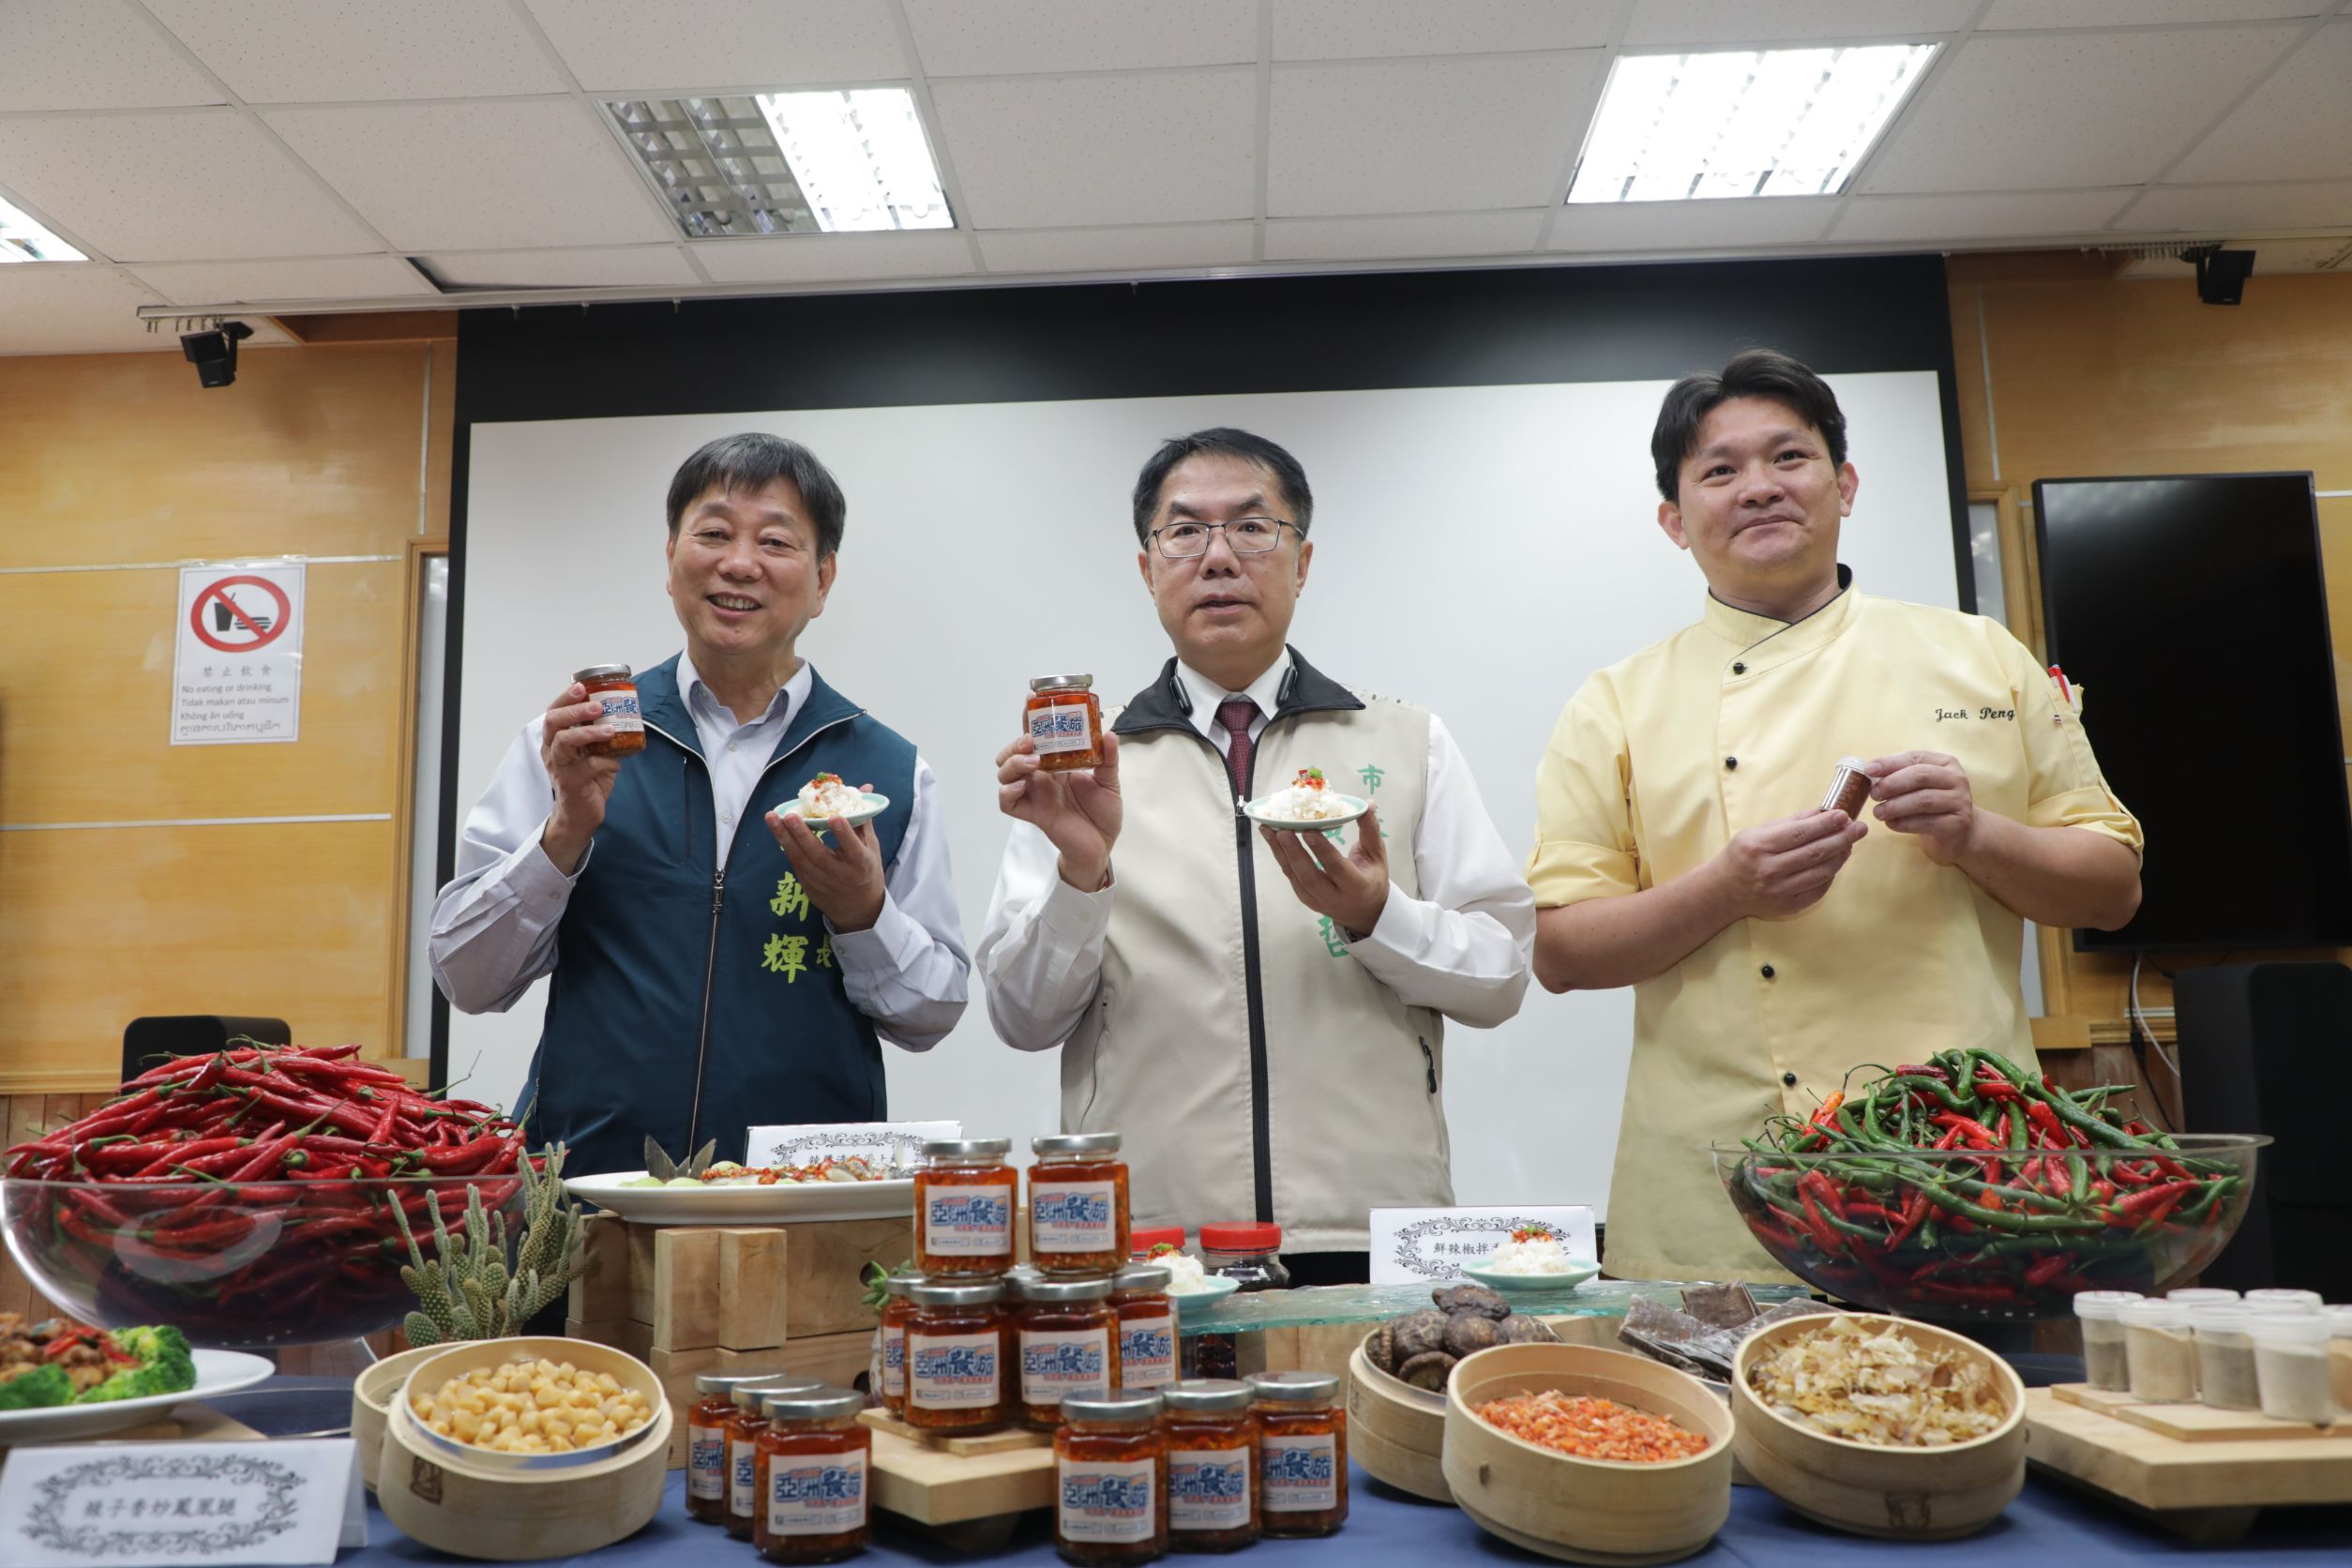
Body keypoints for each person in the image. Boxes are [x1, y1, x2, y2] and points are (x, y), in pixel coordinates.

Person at [1526, 350, 2143, 1282]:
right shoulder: (1614, 702)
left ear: (1845, 485)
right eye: (1720, 470)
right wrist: (1728, 890)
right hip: (1726, 1177)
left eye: (1790, 457)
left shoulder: (1982, 656)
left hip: (1963, 1164)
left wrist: (1975, 834)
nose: (1759, 487)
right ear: (1674, 520)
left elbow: (2113, 890)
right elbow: (1563, 951)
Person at [976, 428, 1534, 1284]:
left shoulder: (1407, 740)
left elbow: (1499, 977)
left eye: (1251, 527)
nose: (1218, 557)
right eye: (1184, 532)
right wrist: (1081, 875)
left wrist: (1375, 917)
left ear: (1302, 562)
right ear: (1147, 569)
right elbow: (1023, 1019)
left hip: (1368, 1226)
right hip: (1153, 1237)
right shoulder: (1081, 765)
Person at [431, 433, 969, 1176]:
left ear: (822, 579)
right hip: (595, 1192)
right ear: (671, 558)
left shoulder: (888, 771)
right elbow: (466, 977)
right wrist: (565, 832)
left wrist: (862, 913)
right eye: (713, 533)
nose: (739, 563)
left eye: (774, 541)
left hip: (800, 1199)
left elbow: (931, 1014)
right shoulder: (576, 743)